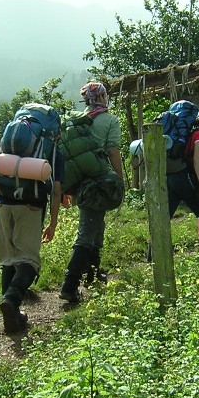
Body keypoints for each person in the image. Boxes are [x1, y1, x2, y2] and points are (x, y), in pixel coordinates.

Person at [0, 117, 64, 334]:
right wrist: (53, 223)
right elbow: (56, 190)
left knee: (9, 260)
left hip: (2, 206)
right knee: (28, 260)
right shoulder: (52, 150)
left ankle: (12, 317)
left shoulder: (6, 145)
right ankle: (11, 300)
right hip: (31, 207)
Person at [59, 82, 123, 303]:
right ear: (102, 97)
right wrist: (120, 179)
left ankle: (93, 275)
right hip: (99, 184)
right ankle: (69, 285)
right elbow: (113, 152)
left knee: (96, 226)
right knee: (87, 232)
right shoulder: (110, 120)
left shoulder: (76, 120)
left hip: (77, 182)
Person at [167, 109, 199, 252]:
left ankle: (152, 253)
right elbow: (197, 159)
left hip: (171, 177)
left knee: (165, 217)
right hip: (185, 177)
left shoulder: (189, 134)